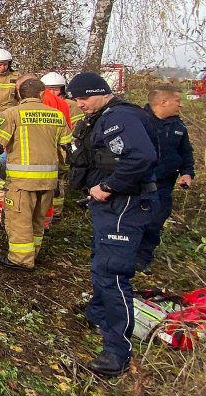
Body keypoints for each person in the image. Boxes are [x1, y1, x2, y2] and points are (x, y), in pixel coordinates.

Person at [68, 72, 159, 378]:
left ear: (101, 92)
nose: (80, 104)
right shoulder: (106, 116)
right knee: (102, 263)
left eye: (84, 98)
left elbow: (142, 157)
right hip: (114, 206)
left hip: (124, 205)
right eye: (77, 99)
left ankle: (117, 351)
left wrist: (108, 186)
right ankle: (97, 313)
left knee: (112, 273)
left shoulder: (120, 117)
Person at [0, 78, 72, 270]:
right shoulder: (57, 115)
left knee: (19, 220)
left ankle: (20, 259)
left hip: (22, 181)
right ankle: (33, 254)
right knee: (38, 219)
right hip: (49, 180)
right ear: (42, 94)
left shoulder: (13, 114)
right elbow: (67, 150)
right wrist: (62, 176)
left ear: (19, 95)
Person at [141, 84, 196, 270]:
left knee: (156, 221)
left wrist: (187, 173)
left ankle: (143, 260)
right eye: (177, 101)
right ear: (163, 102)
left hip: (164, 185)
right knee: (136, 222)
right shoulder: (139, 122)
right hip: (139, 184)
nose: (180, 105)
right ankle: (127, 259)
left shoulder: (178, 125)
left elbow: (186, 152)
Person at [41, 71, 84, 218]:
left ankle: (57, 213)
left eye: (56, 89)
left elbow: (77, 127)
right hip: (46, 145)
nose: (52, 92)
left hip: (64, 145)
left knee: (59, 180)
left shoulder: (71, 105)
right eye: (49, 89)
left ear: (63, 89)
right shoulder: (40, 104)